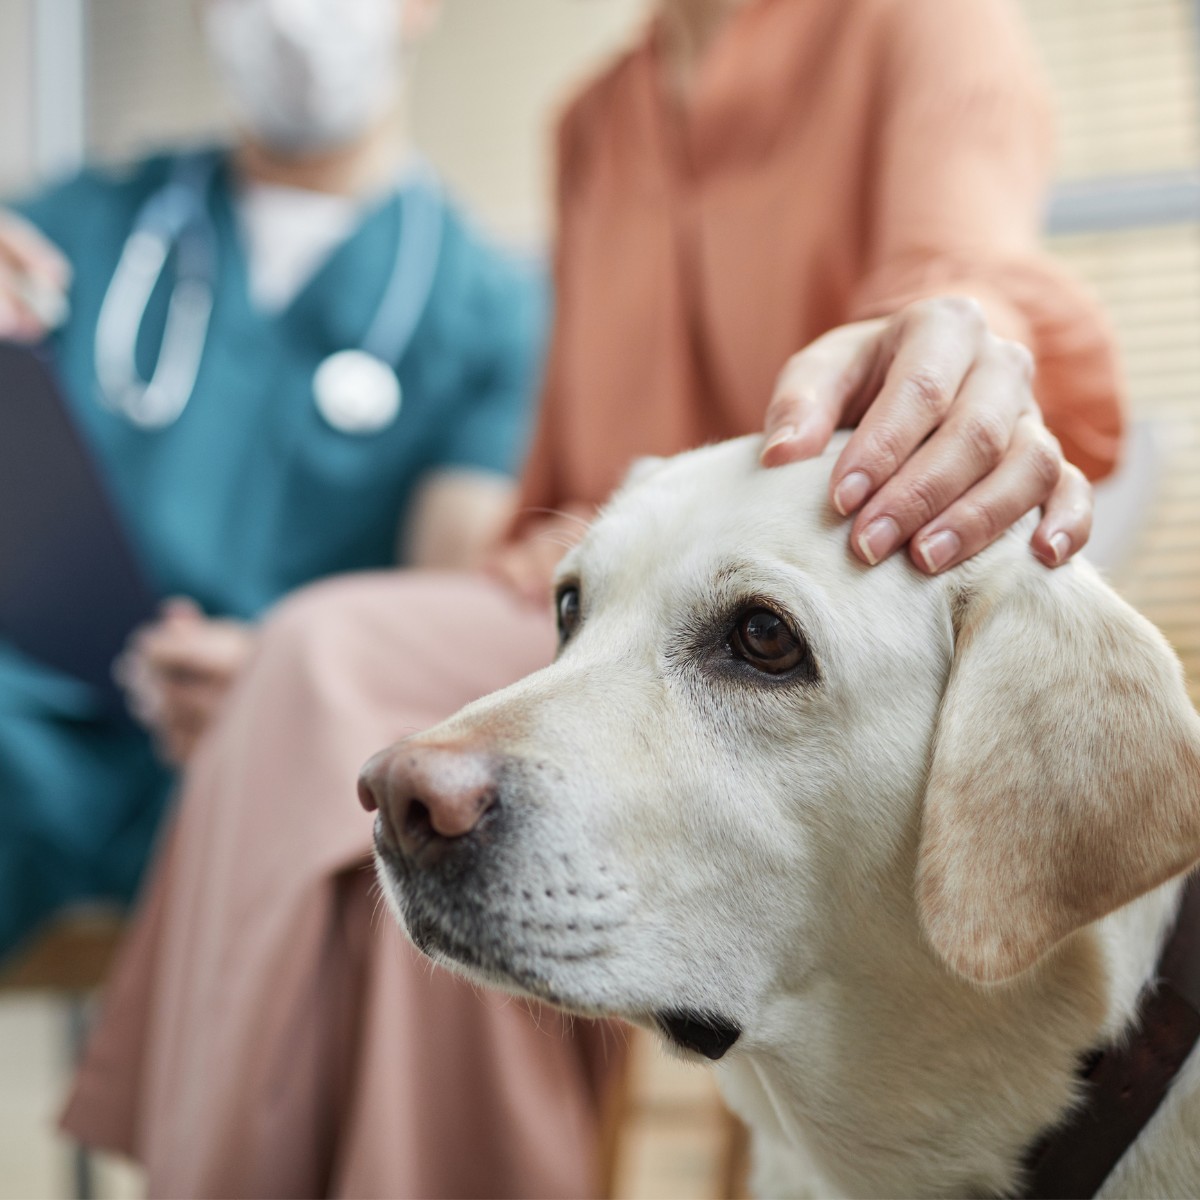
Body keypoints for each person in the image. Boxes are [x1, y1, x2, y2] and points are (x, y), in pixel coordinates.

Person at [62, 0, 1124, 1196]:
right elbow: (558, 506)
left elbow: (965, 268)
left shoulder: (921, 25)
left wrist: (959, 344)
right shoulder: (595, 120)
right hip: (596, 604)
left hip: (817, 622)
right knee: (334, 705)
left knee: (322, 663)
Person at [0, 0, 543, 959]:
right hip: (34, 745)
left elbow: (436, 611)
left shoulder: (487, 308)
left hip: (281, 767)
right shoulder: (79, 231)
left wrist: (286, 686)